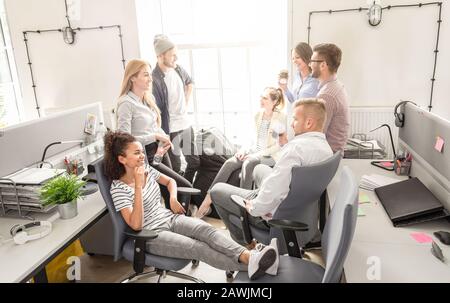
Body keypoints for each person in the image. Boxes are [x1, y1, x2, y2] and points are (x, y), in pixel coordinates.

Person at [104, 131, 280, 280]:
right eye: (136, 153)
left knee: (206, 230)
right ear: (122, 159)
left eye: (142, 151)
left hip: (169, 218)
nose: (142, 156)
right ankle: (258, 262)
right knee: (198, 248)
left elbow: (170, 181)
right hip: (150, 234)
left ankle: (252, 258)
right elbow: (136, 225)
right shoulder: (118, 188)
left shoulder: (146, 170)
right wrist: (137, 185)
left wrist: (172, 198)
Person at [209, 99, 333, 246]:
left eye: (295, 119)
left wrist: (254, 207)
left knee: (216, 191)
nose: (292, 123)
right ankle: (258, 193)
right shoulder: (327, 150)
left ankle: (243, 246)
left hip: (274, 214)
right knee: (258, 169)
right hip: (302, 213)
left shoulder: (296, 149)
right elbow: (284, 179)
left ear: (308, 123)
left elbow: (277, 187)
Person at [195, 87, 288, 218]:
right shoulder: (258, 115)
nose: (261, 100)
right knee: (230, 162)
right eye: (261, 97)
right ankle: (207, 200)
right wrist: (243, 150)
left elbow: (279, 145)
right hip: (254, 151)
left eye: (265, 98)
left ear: (274, 101)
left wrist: (256, 155)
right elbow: (252, 139)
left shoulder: (280, 117)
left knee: (249, 162)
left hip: (269, 155)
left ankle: (243, 208)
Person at [115, 59, 192, 207]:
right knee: (184, 186)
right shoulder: (126, 103)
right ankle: (180, 221)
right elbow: (123, 139)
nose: (150, 78)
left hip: (158, 150)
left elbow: (153, 125)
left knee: (170, 190)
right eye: (145, 75)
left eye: (150, 74)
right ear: (132, 78)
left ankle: (177, 221)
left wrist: (163, 137)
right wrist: (155, 136)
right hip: (145, 155)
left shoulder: (147, 99)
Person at [152, 34, 200, 182]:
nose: (176, 59)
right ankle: (180, 200)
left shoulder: (177, 69)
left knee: (194, 162)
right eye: (172, 55)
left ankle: (187, 192)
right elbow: (156, 110)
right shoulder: (155, 79)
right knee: (175, 168)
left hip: (185, 124)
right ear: (160, 56)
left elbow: (189, 82)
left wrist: (185, 103)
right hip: (170, 129)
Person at [310, 43, 350, 154]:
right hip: (331, 154)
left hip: (325, 157)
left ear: (323, 65)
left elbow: (316, 135)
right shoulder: (336, 85)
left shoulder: (327, 95)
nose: (310, 65)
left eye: (312, 61)